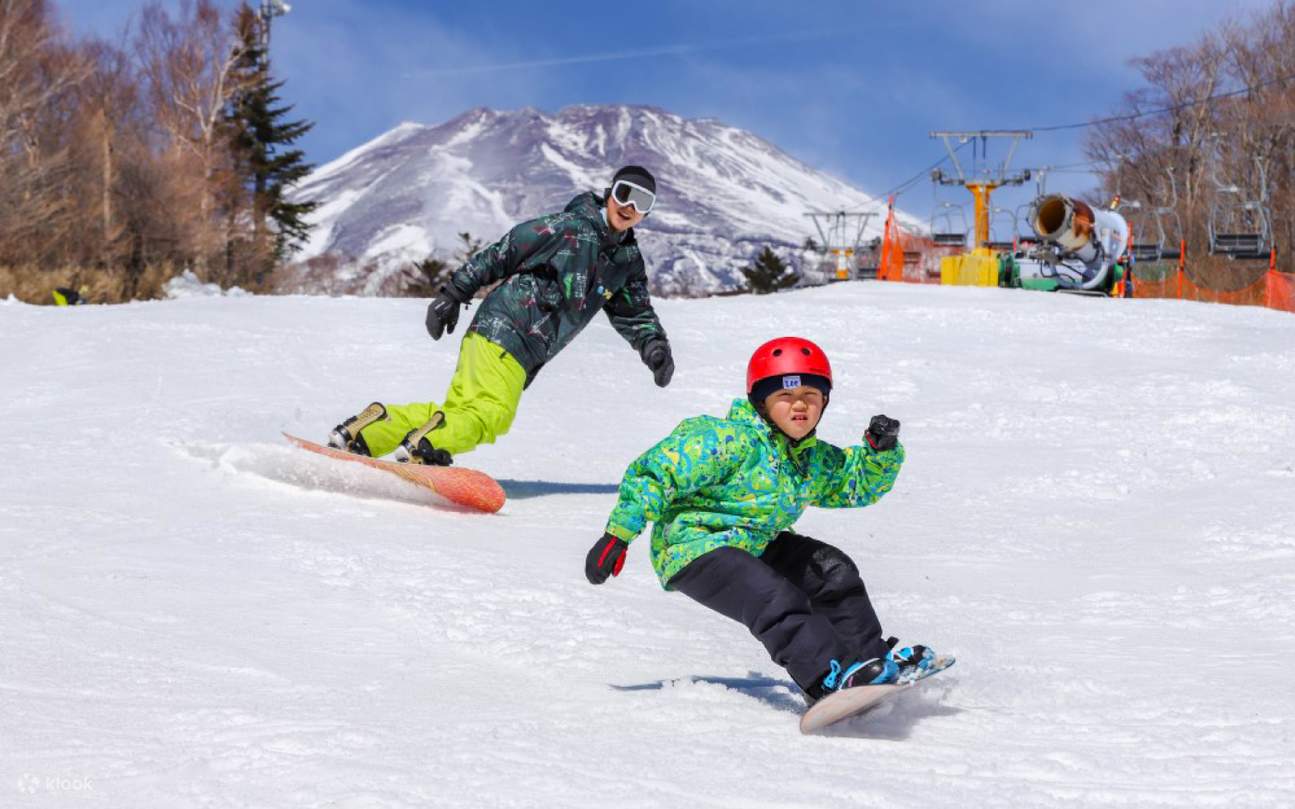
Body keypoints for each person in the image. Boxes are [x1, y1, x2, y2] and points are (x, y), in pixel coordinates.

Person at [584, 336, 938, 704]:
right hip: (694, 547)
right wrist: (617, 536)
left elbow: (853, 483)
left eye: (811, 395)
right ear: (761, 402)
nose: (800, 405)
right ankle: (825, 677)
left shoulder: (810, 460)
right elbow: (656, 473)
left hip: (754, 544)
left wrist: (879, 454)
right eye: (785, 396)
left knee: (833, 571)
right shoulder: (726, 440)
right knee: (773, 596)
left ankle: (869, 661)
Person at [329, 165, 673, 465]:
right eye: (624, 194)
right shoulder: (570, 228)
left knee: (462, 411)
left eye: (641, 202)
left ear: (647, 214)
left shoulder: (626, 262)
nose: (629, 206)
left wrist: (654, 347)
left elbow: (635, 312)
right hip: (509, 329)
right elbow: (505, 251)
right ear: (610, 193)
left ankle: (368, 432)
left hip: (508, 341)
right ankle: (425, 446)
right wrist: (454, 292)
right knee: (492, 414)